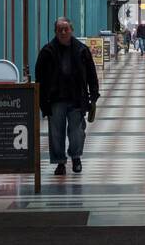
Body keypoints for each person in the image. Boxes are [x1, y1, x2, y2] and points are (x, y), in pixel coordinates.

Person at [35, 16, 100, 176]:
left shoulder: (82, 50)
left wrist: (93, 95)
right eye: (60, 30)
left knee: (77, 131)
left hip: (76, 97)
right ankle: (59, 162)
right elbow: (40, 77)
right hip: (55, 99)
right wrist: (42, 100)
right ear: (55, 32)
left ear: (71, 30)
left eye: (66, 29)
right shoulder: (47, 52)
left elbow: (92, 74)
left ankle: (76, 157)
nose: (63, 32)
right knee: (56, 132)